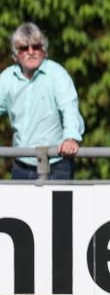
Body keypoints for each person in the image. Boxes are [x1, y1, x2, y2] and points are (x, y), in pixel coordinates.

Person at [0, 23, 84, 180]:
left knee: (58, 206)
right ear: (15, 54)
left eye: (36, 46)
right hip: (21, 164)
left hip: (56, 164)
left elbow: (69, 108)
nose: (31, 52)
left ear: (43, 50)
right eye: (24, 48)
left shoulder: (57, 74)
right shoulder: (6, 78)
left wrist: (70, 138)